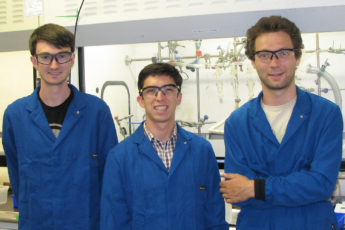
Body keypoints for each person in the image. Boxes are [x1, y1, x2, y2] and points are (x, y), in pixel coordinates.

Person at [219, 15, 343, 229]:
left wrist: (255, 187)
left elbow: (322, 185)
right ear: (253, 61)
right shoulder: (237, 123)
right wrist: (300, 186)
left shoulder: (326, 115)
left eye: (283, 53)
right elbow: (237, 193)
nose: (274, 63)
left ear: (297, 57)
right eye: (265, 55)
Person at [2, 23, 118, 230]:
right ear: (33, 61)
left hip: (85, 223)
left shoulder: (96, 112)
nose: (54, 65)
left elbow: (109, 178)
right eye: (45, 57)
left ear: (72, 59)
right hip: (36, 223)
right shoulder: (15, 115)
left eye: (62, 56)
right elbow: (17, 177)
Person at [100, 63, 228, 230]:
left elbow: (215, 217)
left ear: (179, 97)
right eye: (151, 90)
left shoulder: (201, 151)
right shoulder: (119, 157)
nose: (160, 97)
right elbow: (113, 222)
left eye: (168, 89)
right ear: (140, 100)